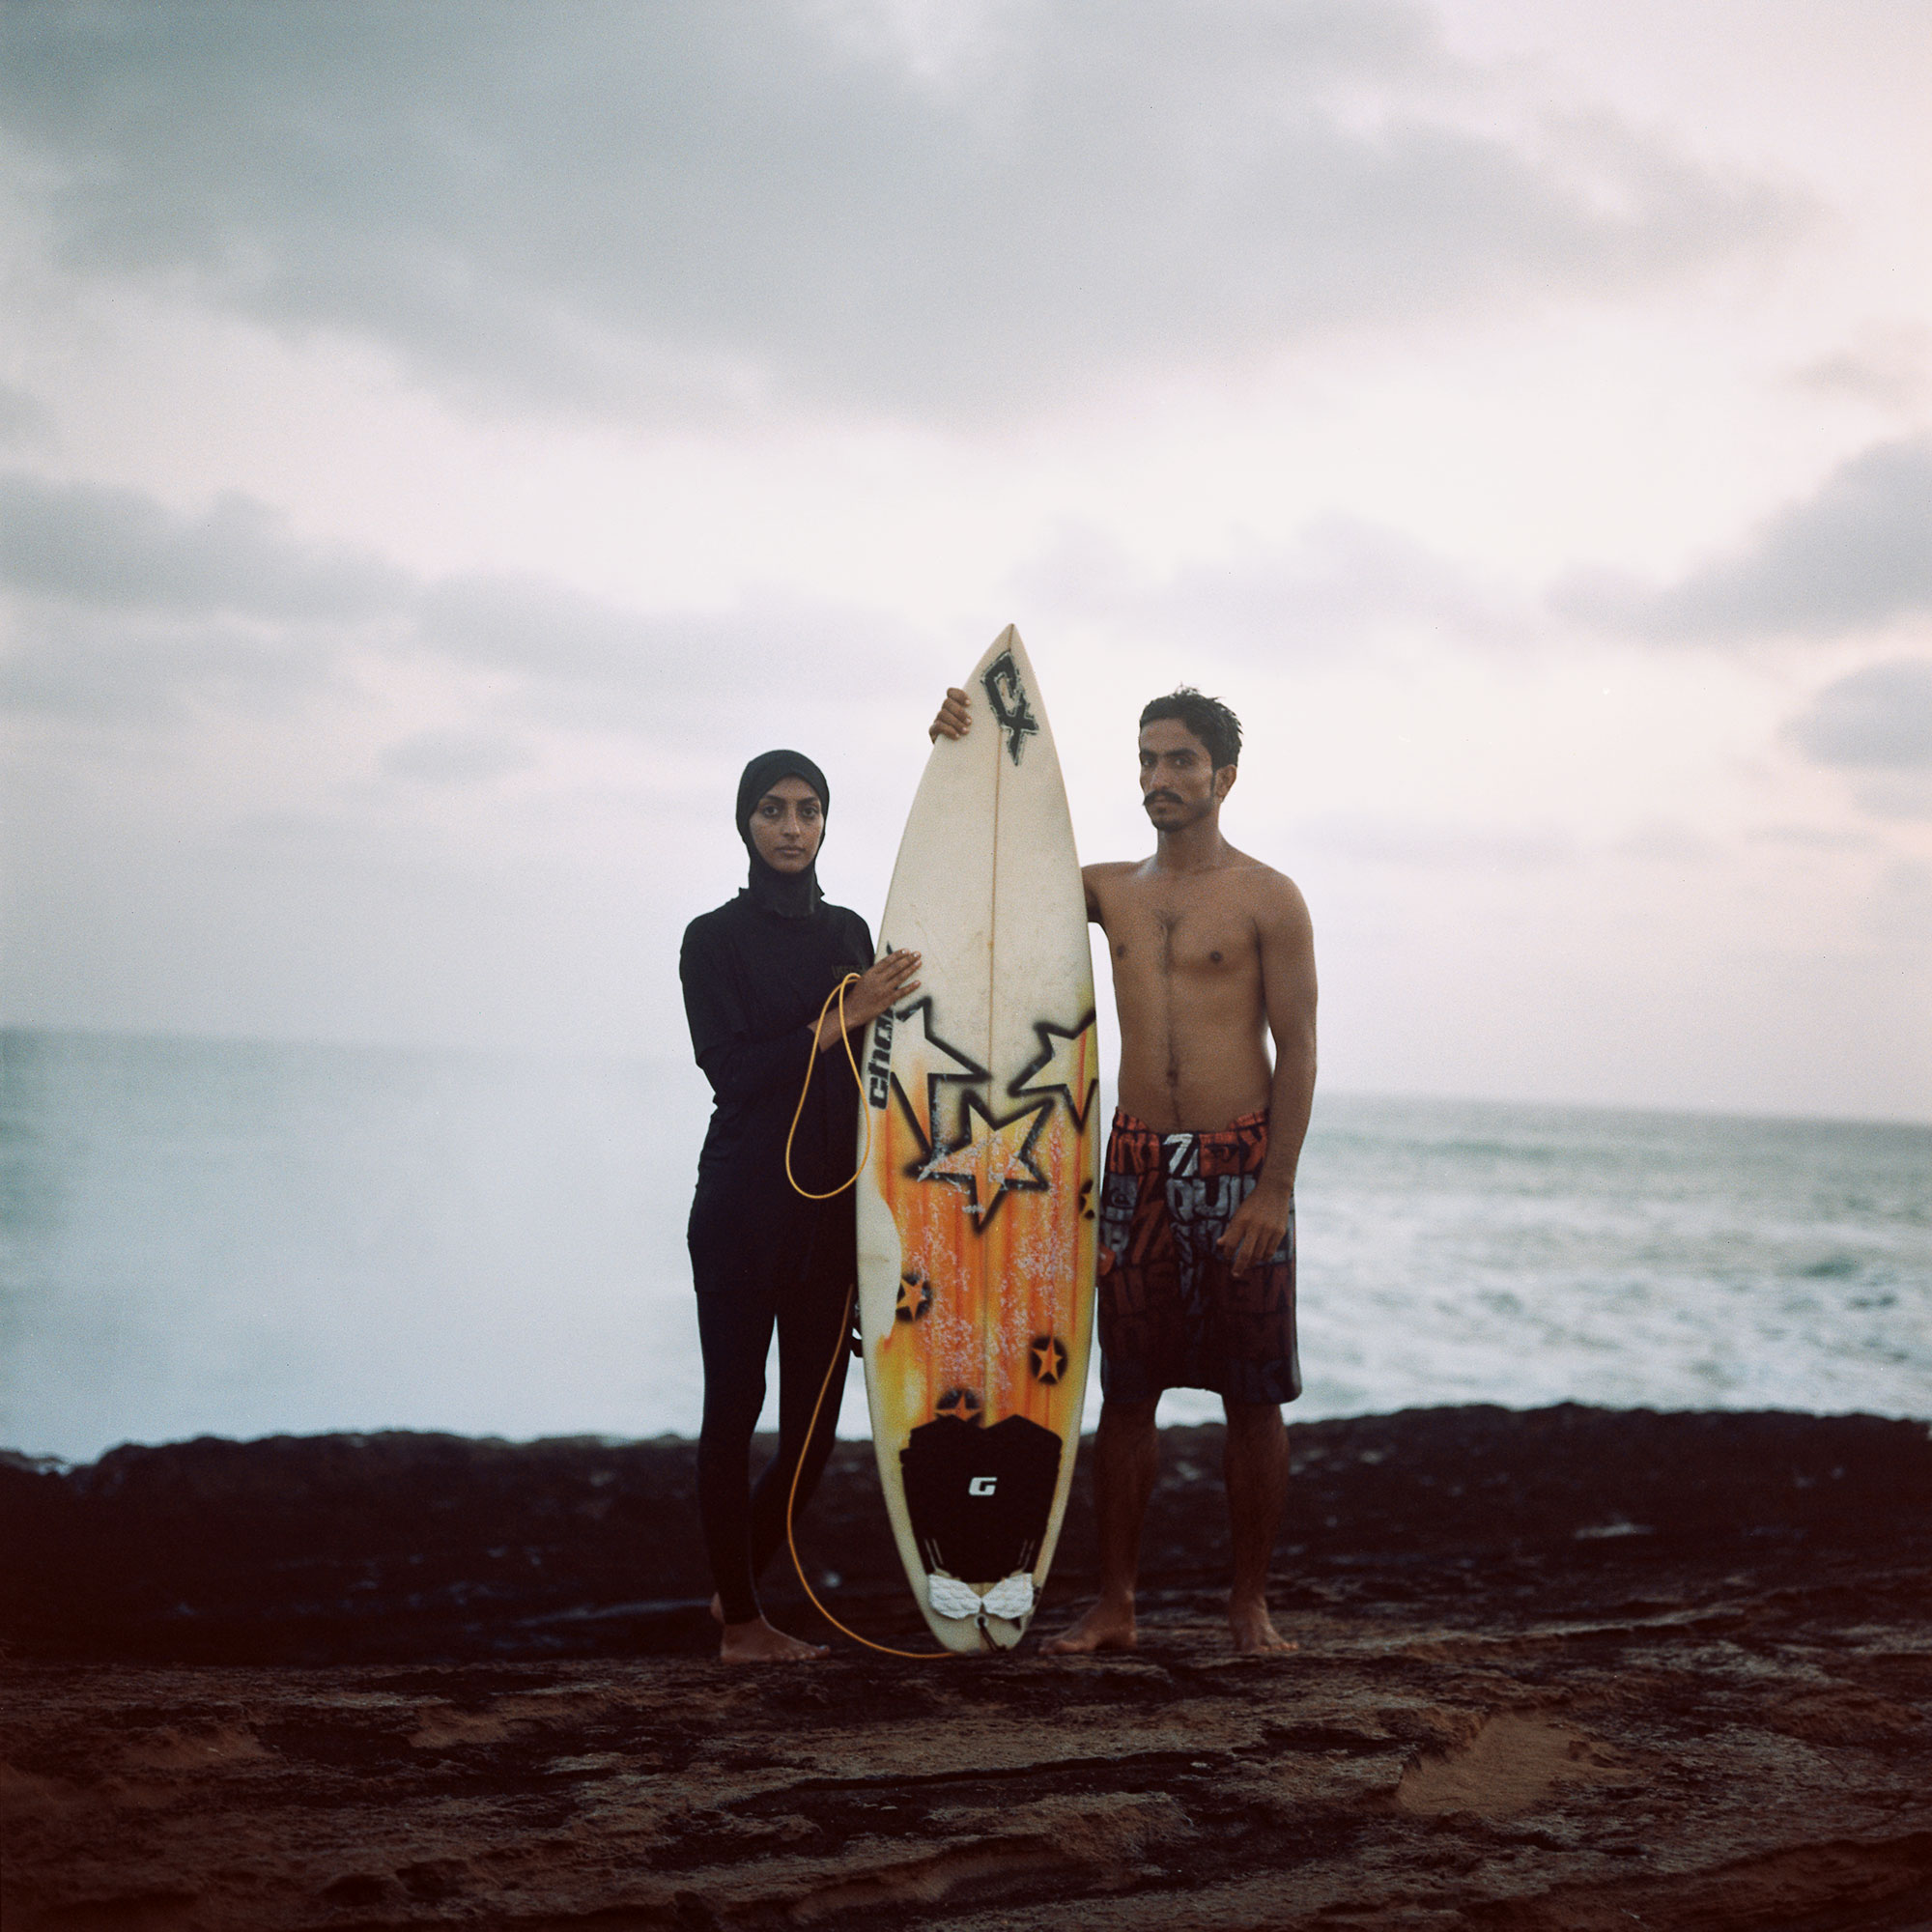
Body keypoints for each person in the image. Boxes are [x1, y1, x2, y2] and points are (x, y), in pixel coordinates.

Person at [930, 685, 1316, 1654]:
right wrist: (963, 746)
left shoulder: (1268, 896)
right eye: (1145, 759)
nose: (1157, 778)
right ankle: (1115, 1604)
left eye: (1179, 759)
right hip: (1135, 1160)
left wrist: (1274, 1187)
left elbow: (1299, 1049)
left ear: (1223, 775)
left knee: (1253, 1395)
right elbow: (996, 869)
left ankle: (1247, 1606)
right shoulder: (1108, 888)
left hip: (1237, 1160)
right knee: (1127, 1390)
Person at [680, 750, 921, 1662]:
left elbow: (885, 1078)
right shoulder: (712, 939)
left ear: (826, 823)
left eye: (808, 810)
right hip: (742, 1206)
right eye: (773, 810)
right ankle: (744, 1623)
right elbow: (732, 1071)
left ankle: (730, 1585)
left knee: (815, 1435)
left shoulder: (851, 930)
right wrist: (844, 1012)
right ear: (745, 822)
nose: (791, 827)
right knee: (732, 1413)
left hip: (829, 1217)